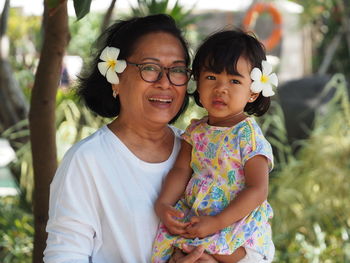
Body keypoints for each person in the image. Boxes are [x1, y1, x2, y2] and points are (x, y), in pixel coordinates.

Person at [43, 14, 215, 263]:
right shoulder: (88, 161)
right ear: (116, 79)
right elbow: (64, 257)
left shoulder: (203, 153)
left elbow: (251, 241)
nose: (165, 83)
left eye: (177, 70)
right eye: (150, 68)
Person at [152, 29, 278, 263]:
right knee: (178, 251)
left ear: (252, 91)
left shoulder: (247, 135)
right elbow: (181, 170)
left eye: (234, 81)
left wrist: (217, 222)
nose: (221, 88)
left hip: (236, 224)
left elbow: (257, 190)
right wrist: (164, 204)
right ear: (197, 81)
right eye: (211, 77)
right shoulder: (196, 131)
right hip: (199, 220)